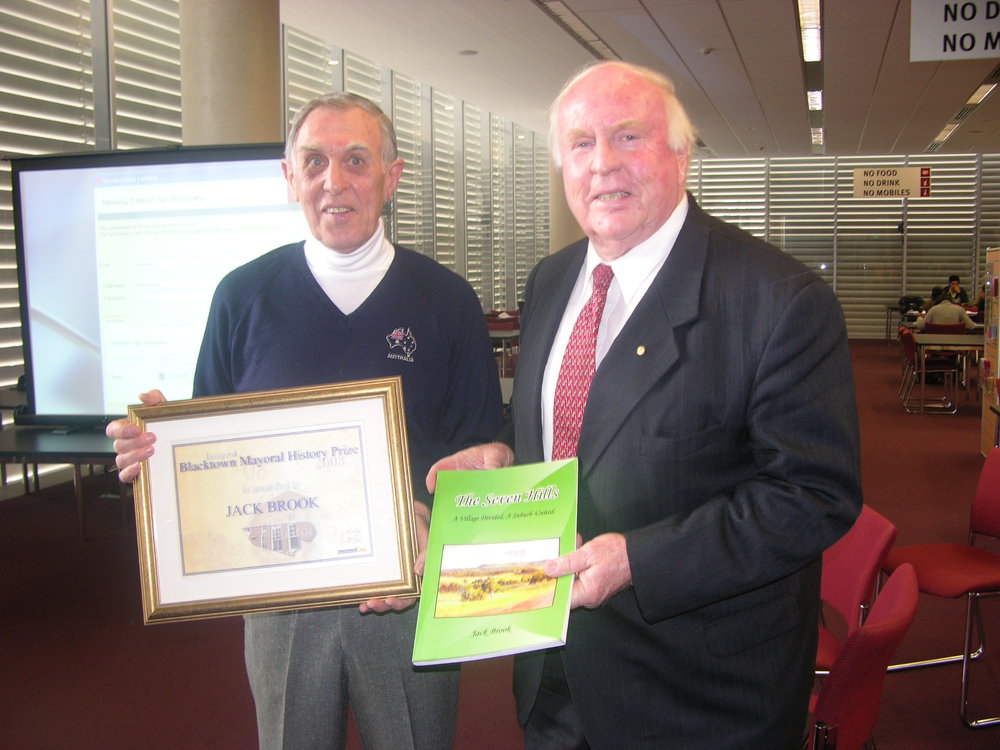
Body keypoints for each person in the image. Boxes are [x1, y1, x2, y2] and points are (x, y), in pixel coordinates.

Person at [427, 61, 862, 749]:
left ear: (680, 153)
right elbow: (564, 426)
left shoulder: (779, 301)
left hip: (696, 694)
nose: (602, 164)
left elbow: (813, 495)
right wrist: (505, 451)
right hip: (551, 670)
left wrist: (640, 560)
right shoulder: (551, 279)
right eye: (580, 144)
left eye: (628, 137)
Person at [107, 92, 503, 750]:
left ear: (392, 176)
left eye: (356, 159)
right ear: (289, 177)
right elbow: (208, 457)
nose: (334, 181)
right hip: (280, 598)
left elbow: (485, 451)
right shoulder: (241, 296)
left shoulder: (448, 300)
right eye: (314, 161)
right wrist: (154, 455)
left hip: (409, 593)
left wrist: (437, 534)